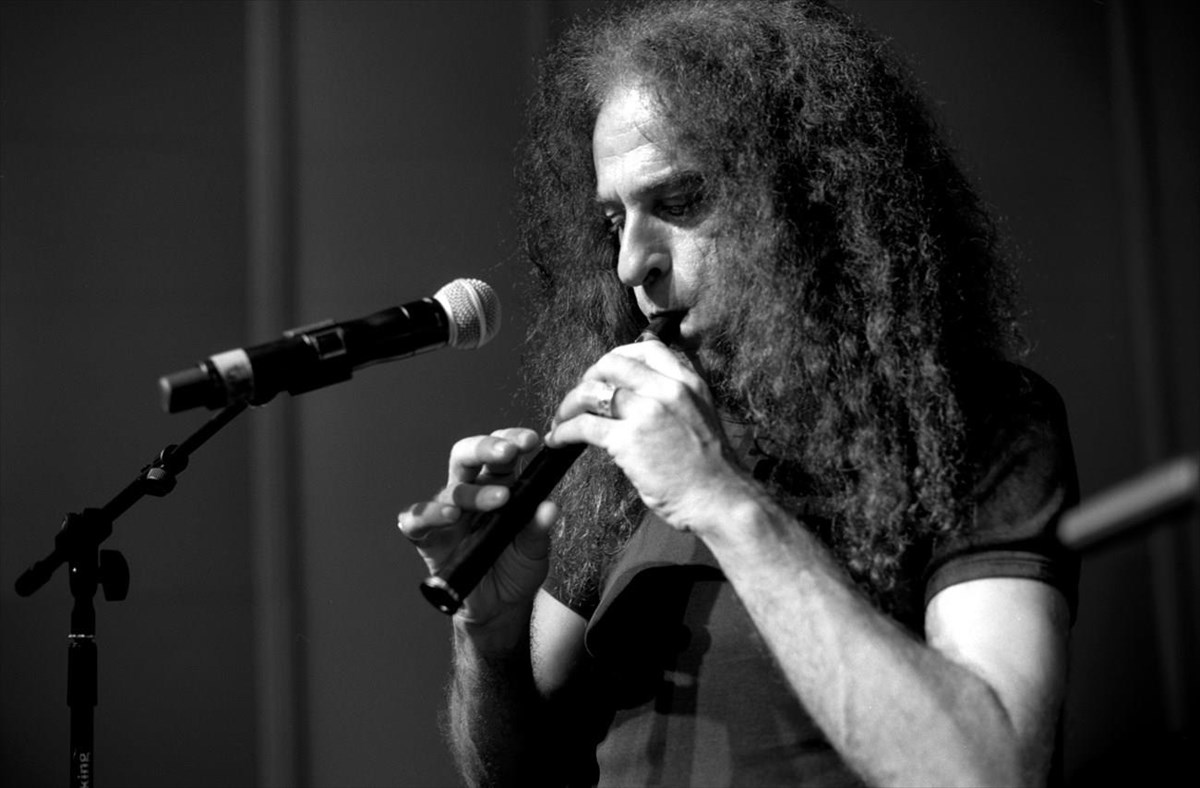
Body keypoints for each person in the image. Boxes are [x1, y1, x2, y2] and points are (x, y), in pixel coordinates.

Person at [399, 1, 1080, 785]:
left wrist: (721, 499)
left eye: (679, 203)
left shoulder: (972, 419)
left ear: (809, 195)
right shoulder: (624, 452)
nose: (630, 265)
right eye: (615, 220)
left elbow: (986, 770)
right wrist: (487, 636)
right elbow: (516, 777)